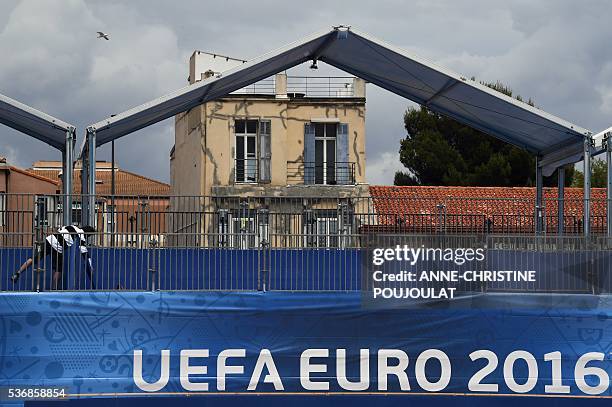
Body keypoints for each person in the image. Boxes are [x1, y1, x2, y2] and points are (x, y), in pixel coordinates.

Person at [12, 225, 96, 290]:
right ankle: (54, 289)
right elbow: (84, 251)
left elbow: (60, 230)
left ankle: (18, 273)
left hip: (49, 240)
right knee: (58, 269)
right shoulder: (81, 235)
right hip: (57, 247)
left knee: (34, 258)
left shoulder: (72, 226)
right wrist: (90, 263)